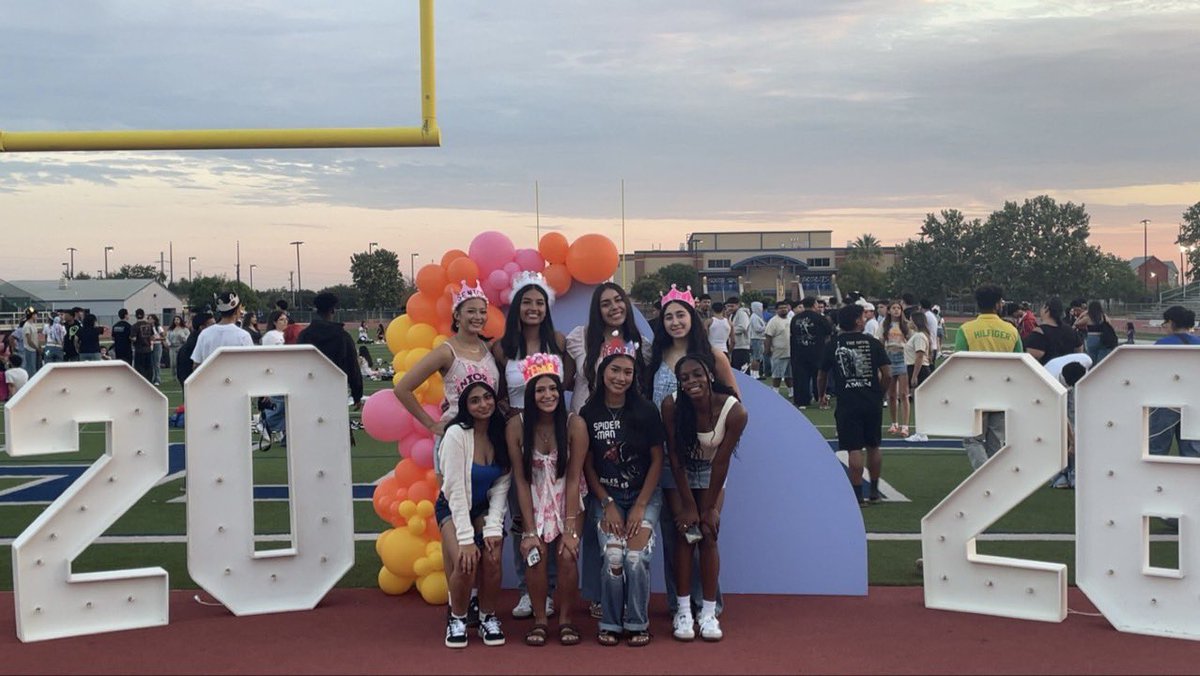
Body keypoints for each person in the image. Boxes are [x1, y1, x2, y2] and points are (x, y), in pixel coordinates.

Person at [643, 284, 737, 622]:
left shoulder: (713, 357)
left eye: (680, 314)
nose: (674, 322)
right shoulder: (653, 358)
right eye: (668, 317)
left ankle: (708, 604)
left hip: (707, 461)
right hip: (669, 460)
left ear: (692, 317)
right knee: (678, 531)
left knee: (707, 528)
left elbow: (732, 404)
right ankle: (679, 605)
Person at [563, 282, 646, 619]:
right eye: (606, 303)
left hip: (624, 435)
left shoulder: (639, 344)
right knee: (594, 512)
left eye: (618, 301)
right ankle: (596, 593)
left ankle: (622, 589)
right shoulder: (581, 338)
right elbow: (567, 380)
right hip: (587, 433)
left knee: (620, 514)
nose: (614, 307)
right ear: (597, 310)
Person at [491, 273, 571, 619]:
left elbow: (567, 387)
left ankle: (550, 590)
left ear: (547, 306)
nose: (533, 308)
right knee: (522, 516)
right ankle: (528, 588)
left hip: (552, 436)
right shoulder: (501, 347)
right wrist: (510, 416)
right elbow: (495, 394)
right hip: (517, 436)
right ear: (516, 307)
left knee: (551, 514)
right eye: (526, 302)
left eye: (539, 302)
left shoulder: (558, 341)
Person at [582, 337, 664, 647]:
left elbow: (658, 459)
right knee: (613, 557)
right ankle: (611, 622)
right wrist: (606, 502)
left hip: (644, 496)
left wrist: (642, 505)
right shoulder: (589, 413)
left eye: (627, 372)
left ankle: (637, 621)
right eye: (615, 370)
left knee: (636, 557)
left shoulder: (646, 411)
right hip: (608, 498)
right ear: (603, 372)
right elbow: (588, 465)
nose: (621, 378)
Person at [662, 354, 747, 642]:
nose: (691, 382)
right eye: (684, 378)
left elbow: (721, 463)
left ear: (710, 375)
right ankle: (683, 610)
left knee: (708, 534)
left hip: (712, 472)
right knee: (687, 534)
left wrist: (709, 508)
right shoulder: (672, 405)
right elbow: (674, 458)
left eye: (697, 375)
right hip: (681, 473)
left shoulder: (735, 412)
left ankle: (708, 613)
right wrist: (688, 506)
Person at [505, 354, 586, 646]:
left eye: (552, 388)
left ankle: (565, 620)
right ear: (530, 394)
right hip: (534, 498)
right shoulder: (516, 426)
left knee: (567, 556)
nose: (547, 395)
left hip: (568, 499)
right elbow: (521, 480)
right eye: (540, 390)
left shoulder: (574, 424)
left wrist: (570, 527)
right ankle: (540, 619)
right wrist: (528, 530)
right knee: (534, 556)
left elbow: (575, 478)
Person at [437, 369, 512, 649]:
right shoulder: (456, 434)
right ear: (466, 406)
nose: (483, 405)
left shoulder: (500, 434)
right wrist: (467, 540)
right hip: (453, 507)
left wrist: (493, 527)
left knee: (492, 557)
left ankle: (487, 616)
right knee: (466, 563)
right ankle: (457, 617)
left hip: (482, 507)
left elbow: (502, 486)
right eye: (475, 400)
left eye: (487, 398)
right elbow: (454, 491)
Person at [396, 281, 499, 471]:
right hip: (456, 436)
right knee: (456, 498)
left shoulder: (490, 348)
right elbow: (402, 389)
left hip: (490, 436)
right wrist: (432, 424)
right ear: (457, 315)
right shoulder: (446, 352)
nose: (478, 317)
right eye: (471, 311)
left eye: (482, 312)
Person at [817, 304, 891, 504]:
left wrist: (821, 394)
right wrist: (879, 393)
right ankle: (874, 490)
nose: (866, 318)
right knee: (874, 446)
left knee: (854, 448)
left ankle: (857, 493)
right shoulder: (873, 343)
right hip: (871, 400)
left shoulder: (834, 344)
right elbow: (887, 374)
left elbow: (822, 373)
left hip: (848, 401)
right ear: (858, 321)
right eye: (863, 316)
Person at [953, 285, 1024, 470]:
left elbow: (958, 363)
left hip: (974, 393)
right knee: (997, 442)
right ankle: (993, 480)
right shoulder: (1011, 331)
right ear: (999, 304)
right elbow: (1020, 363)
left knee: (972, 439)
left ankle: (982, 477)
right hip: (1003, 392)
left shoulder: (966, 329)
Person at [1148, 305, 1200, 458]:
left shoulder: (1162, 344)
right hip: (1194, 400)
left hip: (1166, 401)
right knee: (1193, 451)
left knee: (1157, 448)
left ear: (1171, 322)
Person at [298, 292, 364, 410]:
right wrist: (357, 395)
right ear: (333, 310)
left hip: (309, 389)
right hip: (335, 389)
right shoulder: (342, 336)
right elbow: (352, 366)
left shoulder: (304, 335)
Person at [876, 301, 912, 437]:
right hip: (889, 357)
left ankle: (905, 425)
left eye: (898, 308)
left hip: (902, 357)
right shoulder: (884, 325)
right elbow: (880, 342)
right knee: (891, 395)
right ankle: (894, 423)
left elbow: (911, 340)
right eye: (893, 308)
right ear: (889, 311)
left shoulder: (906, 325)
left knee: (904, 394)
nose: (896, 310)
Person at [790, 297, 832, 409]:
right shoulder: (820, 318)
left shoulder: (795, 319)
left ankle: (801, 401)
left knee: (801, 378)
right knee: (819, 377)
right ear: (814, 304)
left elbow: (792, 334)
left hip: (799, 352)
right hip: (817, 352)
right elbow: (829, 331)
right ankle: (820, 399)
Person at [191, 293, 255, 366]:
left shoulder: (205, 334)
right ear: (237, 311)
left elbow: (196, 364)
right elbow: (250, 363)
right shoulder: (243, 336)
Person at [1024, 297, 1083, 365]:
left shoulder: (1039, 333)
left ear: (1046, 309)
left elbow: (1032, 357)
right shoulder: (1070, 330)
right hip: (1066, 372)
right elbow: (1079, 350)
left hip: (1045, 373)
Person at [176, 310, 215, 383]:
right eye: (212, 325)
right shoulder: (194, 345)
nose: (215, 327)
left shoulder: (192, 341)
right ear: (202, 327)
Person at [764, 300, 792, 397]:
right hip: (778, 352)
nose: (783, 309)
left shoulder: (790, 319)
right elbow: (768, 337)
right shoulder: (773, 321)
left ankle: (791, 391)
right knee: (777, 374)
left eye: (785, 307)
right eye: (781, 308)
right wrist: (767, 350)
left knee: (789, 375)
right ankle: (775, 392)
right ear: (776, 310)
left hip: (790, 352)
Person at [727, 296, 752, 373]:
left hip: (742, 347)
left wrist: (730, 331)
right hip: (735, 346)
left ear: (738, 305)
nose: (730, 308)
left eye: (732, 306)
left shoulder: (742, 314)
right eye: (729, 306)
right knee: (736, 370)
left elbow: (743, 327)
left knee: (743, 371)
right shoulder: (731, 315)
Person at [131, 309, 156, 381]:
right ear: (144, 315)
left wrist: (130, 338)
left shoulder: (134, 326)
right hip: (148, 349)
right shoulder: (149, 325)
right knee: (149, 368)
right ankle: (149, 381)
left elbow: (134, 338)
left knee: (139, 368)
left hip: (139, 350)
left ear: (136, 316)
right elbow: (152, 337)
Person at [748, 301, 766, 379]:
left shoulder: (757, 316)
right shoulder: (754, 317)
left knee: (758, 357)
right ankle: (754, 374)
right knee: (756, 357)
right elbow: (757, 328)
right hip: (756, 338)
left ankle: (756, 373)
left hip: (759, 338)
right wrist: (765, 326)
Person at [21, 310, 42, 374]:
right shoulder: (27, 325)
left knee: (36, 367)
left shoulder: (33, 325)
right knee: (31, 368)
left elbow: (36, 337)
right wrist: (37, 348)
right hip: (29, 349)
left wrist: (39, 346)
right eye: (35, 314)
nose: (37, 316)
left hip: (34, 349)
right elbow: (29, 340)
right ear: (32, 315)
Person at [149, 314, 166, 385]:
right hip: (150, 345)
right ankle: (152, 378)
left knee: (156, 362)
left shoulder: (158, 327)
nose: (149, 320)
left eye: (151, 319)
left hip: (157, 344)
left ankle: (157, 379)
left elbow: (164, 337)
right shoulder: (148, 327)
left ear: (154, 320)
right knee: (151, 363)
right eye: (148, 319)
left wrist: (156, 338)